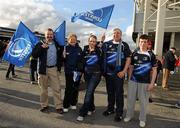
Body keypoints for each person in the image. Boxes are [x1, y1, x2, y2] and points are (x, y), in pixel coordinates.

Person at [124, 34, 157, 128]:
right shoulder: (135, 53)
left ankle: (142, 119)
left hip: (145, 82)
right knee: (130, 100)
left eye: (145, 42)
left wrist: (152, 83)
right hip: (133, 81)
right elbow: (131, 67)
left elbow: (154, 70)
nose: (143, 43)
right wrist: (130, 79)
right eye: (141, 41)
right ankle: (129, 115)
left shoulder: (151, 55)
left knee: (143, 102)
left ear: (148, 43)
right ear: (139, 42)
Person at [102, 28, 131, 122]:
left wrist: (124, 71)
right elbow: (99, 50)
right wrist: (102, 40)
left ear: (121, 35)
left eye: (118, 33)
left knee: (119, 94)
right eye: (114, 33)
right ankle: (110, 109)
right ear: (112, 34)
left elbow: (128, 59)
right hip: (108, 73)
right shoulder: (107, 44)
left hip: (119, 73)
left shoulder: (124, 45)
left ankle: (119, 113)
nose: (116, 34)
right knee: (110, 92)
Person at [32, 28, 64, 114]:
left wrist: (60, 66)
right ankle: (44, 105)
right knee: (43, 89)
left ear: (53, 35)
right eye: (48, 35)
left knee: (57, 88)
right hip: (43, 69)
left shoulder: (57, 45)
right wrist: (42, 48)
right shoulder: (40, 44)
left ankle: (58, 106)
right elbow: (34, 55)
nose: (49, 36)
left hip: (53, 69)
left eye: (51, 34)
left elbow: (60, 57)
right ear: (45, 35)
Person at [77, 35, 102, 121]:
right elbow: (81, 62)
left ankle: (82, 112)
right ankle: (91, 108)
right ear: (88, 41)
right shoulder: (85, 51)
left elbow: (102, 59)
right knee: (90, 92)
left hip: (96, 75)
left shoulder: (98, 51)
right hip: (87, 74)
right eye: (91, 41)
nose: (92, 43)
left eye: (94, 41)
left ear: (96, 42)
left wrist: (101, 42)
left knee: (89, 92)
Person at [63, 33, 82, 113]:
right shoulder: (65, 48)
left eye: (74, 39)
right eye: (71, 39)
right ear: (68, 40)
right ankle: (66, 105)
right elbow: (63, 61)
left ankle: (73, 103)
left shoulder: (79, 49)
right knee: (68, 88)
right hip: (69, 72)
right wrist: (63, 56)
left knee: (75, 88)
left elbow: (81, 60)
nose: (73, 40)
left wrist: (80, 70)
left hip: (77, 72)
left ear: (76, 40)